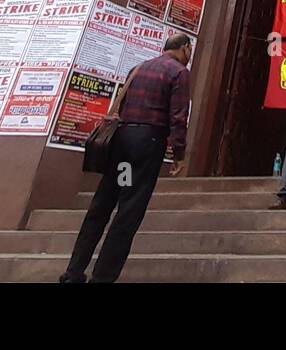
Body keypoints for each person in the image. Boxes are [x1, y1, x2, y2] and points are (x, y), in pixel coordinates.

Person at [60, 34, 192, 283]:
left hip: (122, 144)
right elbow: (178, 117)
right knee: (128, 211)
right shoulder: (178, 73)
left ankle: (74, 272)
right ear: (185, 48)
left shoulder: (138, 68)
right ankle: (103, 277)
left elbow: (122, 108)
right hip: (146, 144)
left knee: (103, 204)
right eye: (189, 50)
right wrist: (178, 153)